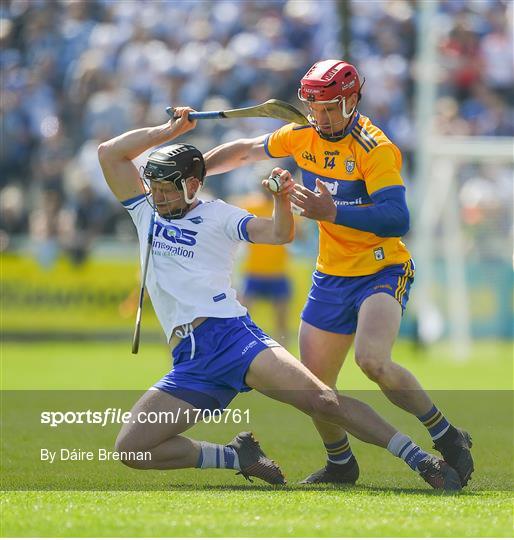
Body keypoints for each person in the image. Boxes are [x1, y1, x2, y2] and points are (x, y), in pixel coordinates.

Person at [97, 106, 462, 490]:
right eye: (153, 187)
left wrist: (281, 199)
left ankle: (420, 460)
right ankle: (236, 457)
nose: (157, 196)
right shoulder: (144, 212)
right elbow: (109, 153)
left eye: (167, 188)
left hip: (232, 337)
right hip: (190, 358)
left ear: (191, 185)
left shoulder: (219, 216)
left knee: (322, 401)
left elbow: (278, 234)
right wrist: (168, 131)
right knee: (133, 449)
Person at [203, 60, 474, 486]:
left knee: (373, 361)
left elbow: (397, 217)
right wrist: (195, 169)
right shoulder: (302, 134)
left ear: (352, 100)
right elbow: (245, 150)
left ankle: (444, 433)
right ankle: (341, 463)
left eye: (331, 108)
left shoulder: (375, 147)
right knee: (313, 388)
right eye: (315, 108)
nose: (323, 117)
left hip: (382, 266)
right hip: (331, 274)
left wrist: (333, 210)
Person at [232, 185, 293, 347]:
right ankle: (239, 348)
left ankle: (284, 355)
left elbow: (297, 233)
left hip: (277, 272)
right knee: (241, 317)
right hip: (254, 272)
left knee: (281, 321)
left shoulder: (284, 206)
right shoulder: (250, 204)